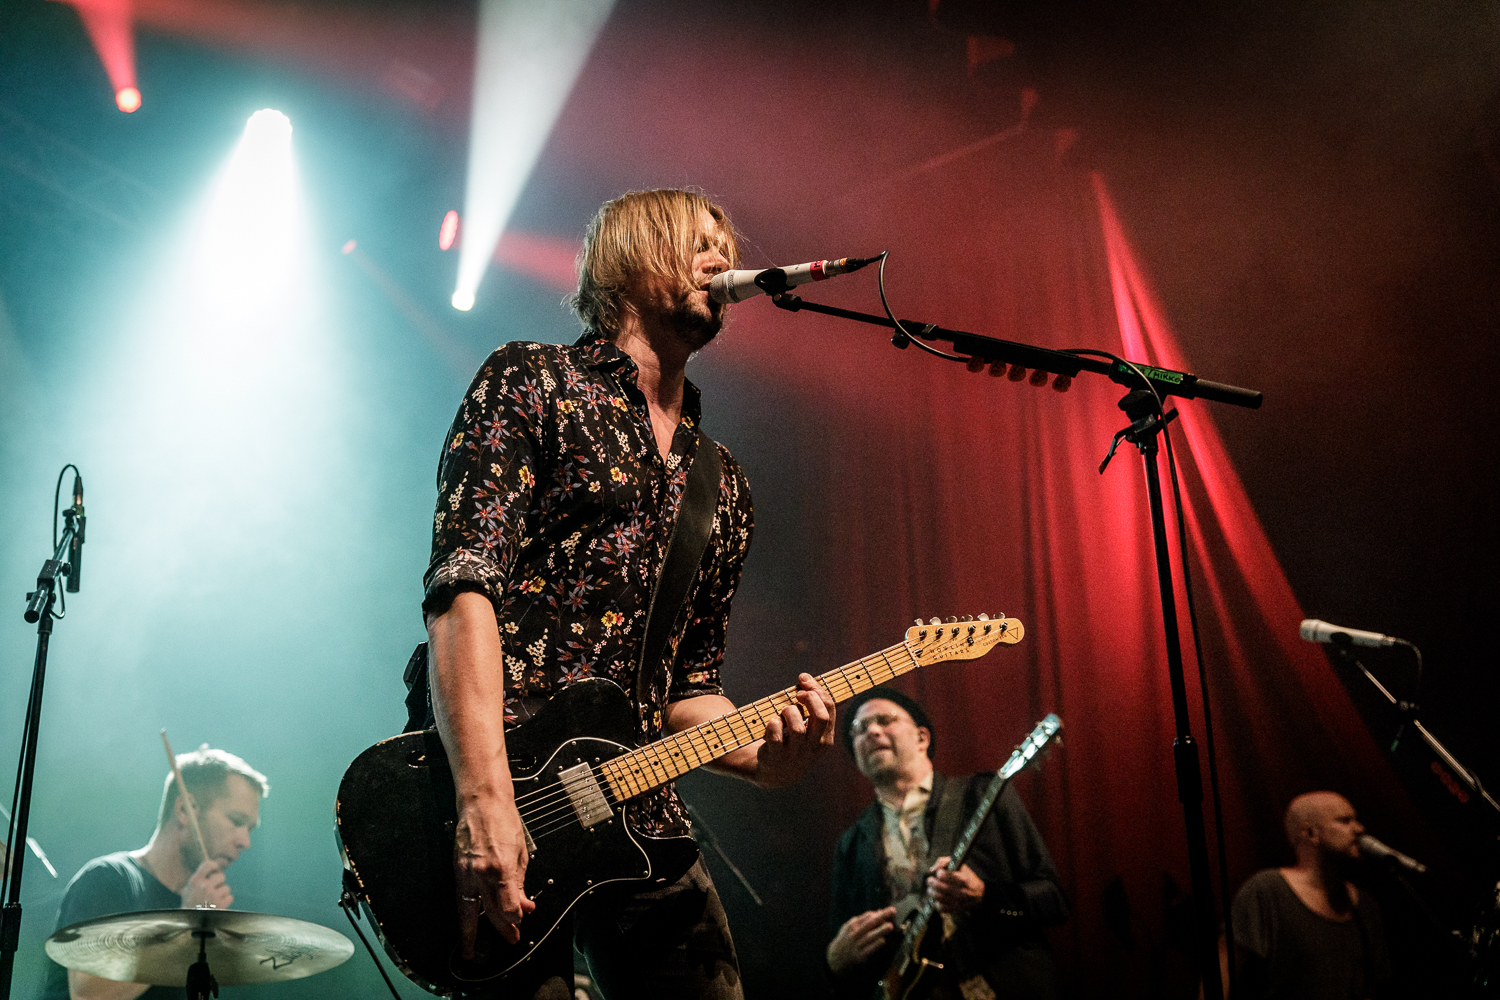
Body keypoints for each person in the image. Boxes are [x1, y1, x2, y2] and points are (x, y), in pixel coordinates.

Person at [420, 188, 836, 999]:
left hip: (642, 818)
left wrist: (765, 759)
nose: (722, 258)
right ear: (628, 257)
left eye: (727, 244)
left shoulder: (724, 483)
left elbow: (690, 690)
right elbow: (461, 590)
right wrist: (484, 798)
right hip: (512, 792)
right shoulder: (530, 381)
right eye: (698, 242)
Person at [826, 688, 1067, 1000]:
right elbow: (845, 947)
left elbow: (1054, 900)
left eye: (884, 720)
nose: (871, 731)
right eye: (857, 730)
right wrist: (833, 962)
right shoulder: (852, 842)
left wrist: (986, 896)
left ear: (922, 738)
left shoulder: (983, 794)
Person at [41, 746, 268, 1000]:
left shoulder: (197, 904)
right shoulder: (108, 879)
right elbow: (89, 995)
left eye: (250, 829)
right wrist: (186, 924)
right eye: (236, 821)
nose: (245, 841)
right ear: (185, 810)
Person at [1229, 791, 1391, 1000]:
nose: (1359, 829)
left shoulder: (1365, 906)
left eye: (1356, 820)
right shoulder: (1267, 889)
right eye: (1344, 820)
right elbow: (1222, 968)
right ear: (1310, 833)